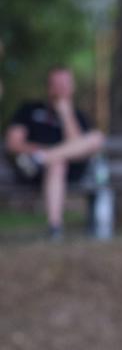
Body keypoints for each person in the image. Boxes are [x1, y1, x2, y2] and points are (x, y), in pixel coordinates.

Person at [4, 66, 105, 240]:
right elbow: (13, 143)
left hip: (71, 170)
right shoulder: (29, 110)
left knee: (97, 137)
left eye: (65, 84)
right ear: (48, 87)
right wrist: (39, 150)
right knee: (57, 164)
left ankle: (44, 158)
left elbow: (79, 146)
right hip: (33, 171)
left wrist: (66, 115)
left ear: (72, 87)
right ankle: (55, 227)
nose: (61, 89)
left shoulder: (78, 115)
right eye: (56, 84)